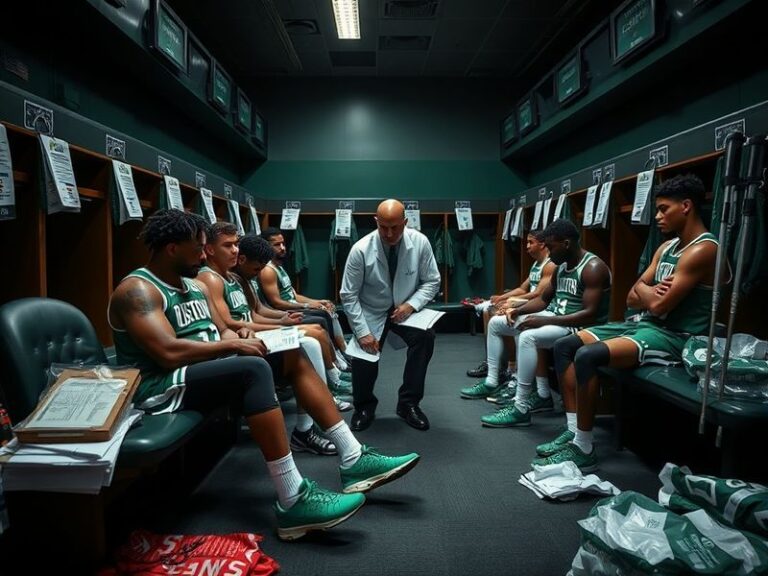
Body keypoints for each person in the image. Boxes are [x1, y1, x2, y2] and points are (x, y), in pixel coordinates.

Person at [108, 209, 420, 540]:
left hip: (200, 370)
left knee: (289, 352)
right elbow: (167, 352)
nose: (204, 254)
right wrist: (233, 348)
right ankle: (293, 498)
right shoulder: (139, 290)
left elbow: (219, 332)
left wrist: (246, 339)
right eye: (198, 248)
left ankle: (353, 457)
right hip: (162, 387)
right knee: (253, 369)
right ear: (172, 248)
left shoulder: (192, 286)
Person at [536, 174, 724, 472]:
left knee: (588, 355)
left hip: (678, 337)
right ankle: (574, 432)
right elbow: (631, 295)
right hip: (644, 325)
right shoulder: (666, 248)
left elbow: (661, 303)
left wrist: (647, 294)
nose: (658, 217)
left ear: (686, 206)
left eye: (664, 209)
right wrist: (649, 293)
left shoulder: (703, 249)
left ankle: (584, 447)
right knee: (564, 346)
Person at [195, 222, 344, 456]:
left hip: (248, 335)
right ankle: (314, 419)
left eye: (236, 244)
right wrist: (278, 324)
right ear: (210, 249)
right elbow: (230, 324)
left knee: (310, 341)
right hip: (239, 343)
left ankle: (314, 418)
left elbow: (253, 312)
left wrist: (282, 321)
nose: (235, 250)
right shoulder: (211, 279)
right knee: (309, 341)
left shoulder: (233, 278)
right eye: (229, 245)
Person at [460, 219, 612, 431]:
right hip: (558, 318)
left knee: (528, 336)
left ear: (566, 244)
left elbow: (589, 314)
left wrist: (544, 320)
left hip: (582, 327)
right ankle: (492, 381)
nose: (549, 253)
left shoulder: (593, 267)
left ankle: (520, 407)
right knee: (497, 323)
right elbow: (543, 300)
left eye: (551, 247)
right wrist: (517, 311)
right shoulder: (562, 267)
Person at [340, 199, 441, 431]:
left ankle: (408, 404)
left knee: (425, 338)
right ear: (376, 222)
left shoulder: (420, 242)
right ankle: (364, 406)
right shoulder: (360, 249)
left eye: (395, 227)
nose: (388, 233)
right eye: (383, 226)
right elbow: (348, 295)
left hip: (404, 311)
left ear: (405, 222)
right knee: (364, 355)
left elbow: (432, 281)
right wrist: (363, 332)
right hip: (371, 310)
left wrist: (411, 305)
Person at [466, 231, 556, 406]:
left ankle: (516, 375)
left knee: (518, 323)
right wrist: (502, 298)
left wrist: (514, 304)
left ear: (543, 244)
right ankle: (493, 378)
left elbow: (539, 294)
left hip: (543, 308)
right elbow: (524, 288)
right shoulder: (536, 264)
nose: (527, 246)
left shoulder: (550, 265)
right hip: (533, 304)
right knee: (493, 318)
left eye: (531, 242)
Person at [258, 227, 349, 365]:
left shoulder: (279, 267)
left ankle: (342, 351)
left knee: (328, 308)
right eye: (277, 245)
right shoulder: (268, 271)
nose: (282, 248)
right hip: (285, 312)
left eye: (283, 243)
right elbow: (277, 303)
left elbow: (294, 295)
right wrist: (308, 305)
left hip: (294, 307)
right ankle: (336, 361)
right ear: (265, 246)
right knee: (322, 317)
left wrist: (318, 301)